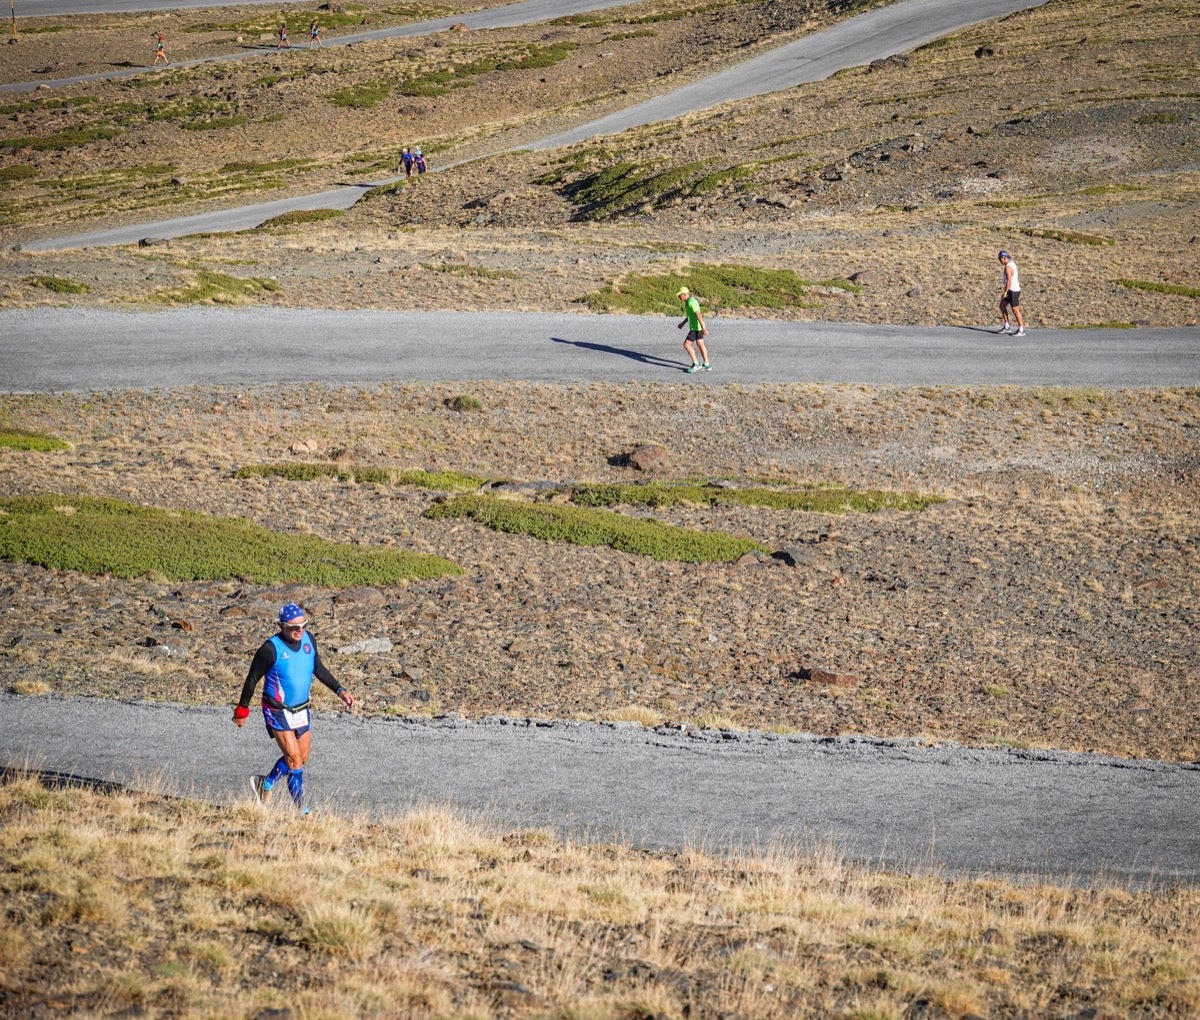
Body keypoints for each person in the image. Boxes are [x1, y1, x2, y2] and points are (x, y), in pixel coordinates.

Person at [232, 603, 354, 814]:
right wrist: (242, 711)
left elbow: (318, 668)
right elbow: (252, 679)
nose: (299, 630)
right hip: (277, 709)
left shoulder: (309, 640)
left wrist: (340, 690)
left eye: (303, 626)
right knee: (294, 760)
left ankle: (265, 784)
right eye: (293, 627)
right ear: (281, 626)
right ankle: (302, 812)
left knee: (302, 757)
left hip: (302, 709)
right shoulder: (270, 649)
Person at [676, 286, 710, 372]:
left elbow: (698, 315)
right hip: (697, 327)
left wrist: (704, 328)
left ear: (685, 295)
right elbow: (690, 315)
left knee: (686, 345)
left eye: (680, 295)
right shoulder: (688, 302)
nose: (679, 297)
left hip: (696, 328)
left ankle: (696, 364)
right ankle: (706, 364)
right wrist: (683, 323)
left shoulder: (691, 302)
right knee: (700, 344)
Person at [998, 249, 1026, 336]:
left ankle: (1021, 330)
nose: (1000, 261)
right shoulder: (1011, 264)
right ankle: (1007, 327)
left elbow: (1009, 281)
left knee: (1015, 310)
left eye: (1000, 259)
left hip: (1013, 291)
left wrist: (1005, 292)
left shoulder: (1008, 267)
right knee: (1002, 306)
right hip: (1010, 290)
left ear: (1004, 257)